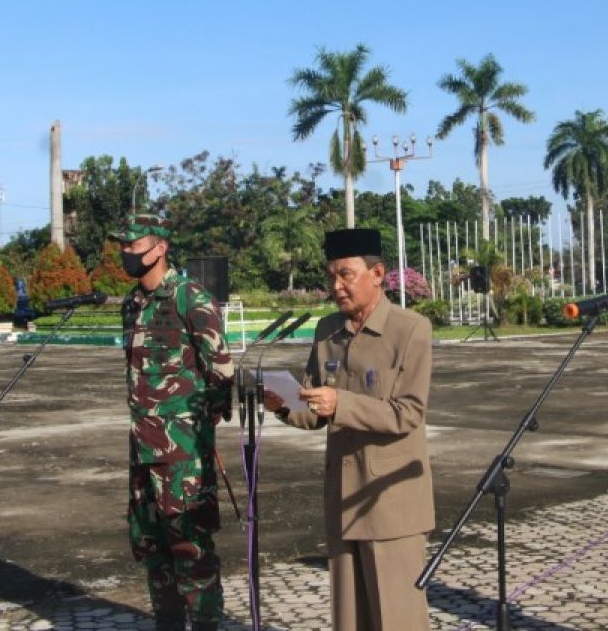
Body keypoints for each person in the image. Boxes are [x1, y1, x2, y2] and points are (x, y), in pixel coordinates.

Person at [265, 228, 435, 630]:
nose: (336, 286)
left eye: (346, 274)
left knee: (398, 619)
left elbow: (407, 413)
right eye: (331, 276)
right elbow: (314, 411)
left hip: (391, 500)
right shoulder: (327, 331)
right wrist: (284, 405)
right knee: (350, 619)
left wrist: (341, 403)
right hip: (343, 497)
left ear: (378, 274)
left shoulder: (410, 329)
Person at [110, 213, 234, 631]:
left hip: (183, 453)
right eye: (123, 246)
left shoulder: (190, 298)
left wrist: (199, 429)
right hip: (142, 449)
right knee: (152, 548)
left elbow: (221, 372)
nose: (127, 252)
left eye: (134, 244)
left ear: (160, 247)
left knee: (191, 549)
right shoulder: (133, 304)